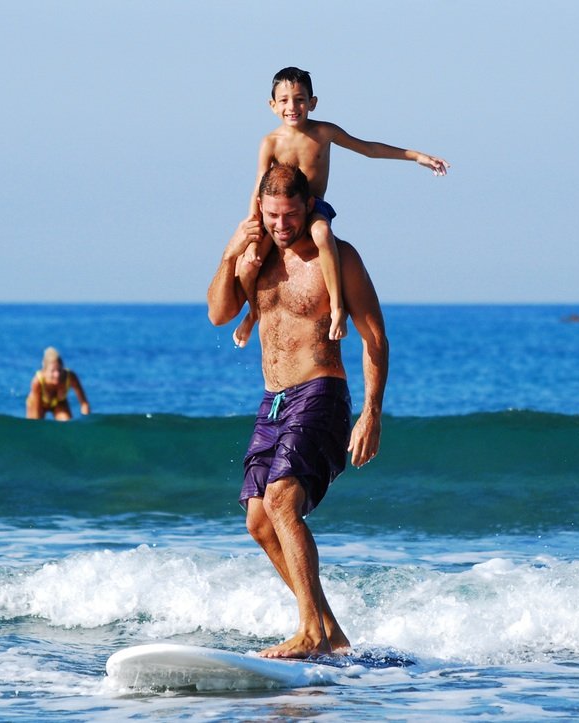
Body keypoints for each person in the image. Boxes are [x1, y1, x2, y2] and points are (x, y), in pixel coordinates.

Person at [208, 164, 389, 659]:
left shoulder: (337, 258)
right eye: (271, 217)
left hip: (321, 391)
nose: (281, 226)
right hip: (273, 401)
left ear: (308, 207)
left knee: (283, 500)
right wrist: (229, 255)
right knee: (259, 520)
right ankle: (330, 635)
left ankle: (309, 633)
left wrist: (371, 411)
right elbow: (219, 312)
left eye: (289, 215)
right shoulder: (257, 257)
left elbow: (375, 336)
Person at [231, 66, 448, 348]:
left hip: (313, 208)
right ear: (272, 106)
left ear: (312, 102)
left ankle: (336, 309)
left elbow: (369, 149)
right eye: (284, 100)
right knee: (248, 264)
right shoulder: (270, 142)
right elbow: (260, 183)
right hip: (281, 212)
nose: (292, 106)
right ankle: (253, 312)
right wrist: (253, 225)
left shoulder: (324, 132)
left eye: (299, 99)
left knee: (322, 235)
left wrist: (415, 156)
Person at [25, 347, 91, 421]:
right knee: (36, 424)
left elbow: (84, 404)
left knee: (67, 425)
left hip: (59, 403)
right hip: (39, 404)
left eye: (59, 370)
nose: (57, 375)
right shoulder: (37, 382)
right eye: (53, 371)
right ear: (45, 370)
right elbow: (35, 418)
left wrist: (86, 423)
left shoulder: (70, 377)